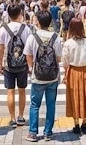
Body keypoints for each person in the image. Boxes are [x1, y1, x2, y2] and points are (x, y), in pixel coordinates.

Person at [24, 10, 62, 142]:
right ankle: (48, 133)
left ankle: (33, 133)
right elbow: (58, 58)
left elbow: (28, 55)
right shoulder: (55, 37)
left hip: (38, 75)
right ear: (50, 22)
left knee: (35, 104)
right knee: (51, 104)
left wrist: (31, 67)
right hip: (53, 76)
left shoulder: (32, 37)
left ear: (38, 22)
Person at [0, 4, 29, 127]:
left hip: (8, 65)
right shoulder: (25, 29)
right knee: (22, 91)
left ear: (8, 15)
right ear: (20, 14)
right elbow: (28, 48)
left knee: (10, 91)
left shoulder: (3, 29)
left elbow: (1, 48)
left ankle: (12, 118)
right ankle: (21, 116)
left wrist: (0, 64)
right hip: (23, 64)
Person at [62, 18, 86, 136]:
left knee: (74, 96)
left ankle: (76, 124)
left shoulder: (68, 43)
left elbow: (65, 61)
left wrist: (65, 74)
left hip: (73, 71)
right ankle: (85, 122)